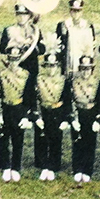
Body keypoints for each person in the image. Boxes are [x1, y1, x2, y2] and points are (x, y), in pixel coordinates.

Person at [0, 49, 34, 182]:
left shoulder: (26, 75)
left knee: (18, 140)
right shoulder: (0, 75)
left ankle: (15, 167)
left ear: (19, 60)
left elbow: (29, 97)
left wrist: (27, 116)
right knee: (3, 139)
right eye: (11, 59)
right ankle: (5, 167)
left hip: (19, 108)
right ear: (8, 60)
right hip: (5, 108)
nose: (13, 63)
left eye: (16, 59)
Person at [33, 45, 71, 181]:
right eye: (48, 66)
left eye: (53, 66)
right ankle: (43, 165)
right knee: (42, 138)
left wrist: (66, 118)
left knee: (56, 139)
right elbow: (35, 98)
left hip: (57, 111)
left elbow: (67, 100)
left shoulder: (63, 80)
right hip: (43, 110)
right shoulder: (39, 79)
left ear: (58, 66)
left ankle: (54, 166)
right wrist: (36, 116)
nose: (51, 68)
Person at [70, 56, 100, 183]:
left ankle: (87, 170)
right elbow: (70, 100)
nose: (85, 71)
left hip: (91, 113)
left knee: (90, 143)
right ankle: (77, 169)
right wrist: (73, 118)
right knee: (77, 141)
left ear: (92, 69)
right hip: (78, 112)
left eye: (88, 69)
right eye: (83, 68)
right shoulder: (73, 81)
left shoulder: (97, 82)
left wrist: (98, 120)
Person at [56, 0, 96, 76]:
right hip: (68, 63)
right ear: (70, 11)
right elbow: (58, 46)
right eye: (74, 11)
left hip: (83, 63)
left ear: (81, 12)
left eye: (78, 11)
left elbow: (91, 48)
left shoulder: (88, 26)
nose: (76, 14)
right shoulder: (63, 26)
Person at [0, 3, 43, 83]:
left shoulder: (35, 31)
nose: (21, 17)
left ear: (29, 16)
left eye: (24, 15)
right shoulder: (9, 30)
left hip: (31, 66)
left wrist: (32, 44)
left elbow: (42, 49)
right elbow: (1, 48)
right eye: (19, 15)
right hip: (15, 66)